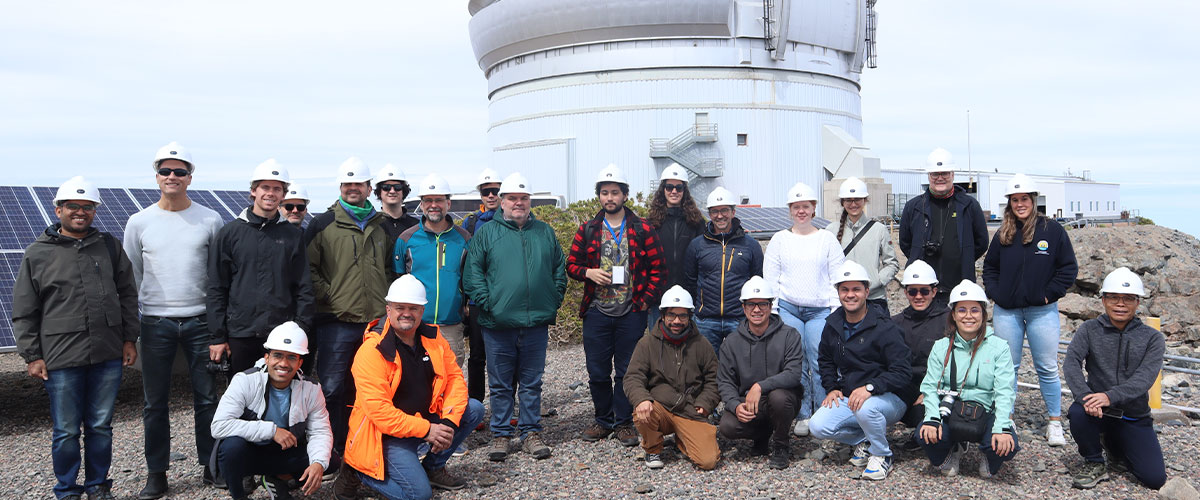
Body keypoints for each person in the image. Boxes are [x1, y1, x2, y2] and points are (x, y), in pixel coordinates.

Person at [13, 176, 139, 500]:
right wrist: (32, 355)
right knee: (66, 431)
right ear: (59, 209)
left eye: (88, 207)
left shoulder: (109, 247)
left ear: (95, 211)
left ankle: (98, 485)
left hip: (107, 353)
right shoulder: (37, 253)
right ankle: (67, 489)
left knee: (100, 426)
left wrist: (128, 339)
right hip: (61, 357)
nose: (81, 212)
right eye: (73, 206)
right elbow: (25, 309)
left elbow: (127, 294)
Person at [123, 142, 226, 498]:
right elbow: (132, 276)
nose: (172, 177)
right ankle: (157, 472)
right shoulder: (139, 222)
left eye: (179, 171)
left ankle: (210, 466)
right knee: (155, 402)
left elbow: (218, 275)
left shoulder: (210, 219)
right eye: (166, 171)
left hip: (200, 322)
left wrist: (218, 326)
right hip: (156, 324)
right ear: (156, 177)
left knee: (207, 398)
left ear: (190, 178)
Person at [336, 276, 484, 500]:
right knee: (419, 495)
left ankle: (433, 466)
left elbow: (455, 380)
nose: (407, 313)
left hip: (424, 422)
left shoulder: (433, 339)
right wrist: (428, 430)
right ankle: (358, 470)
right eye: (400, 307)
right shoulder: (371, 351)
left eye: (413, 308)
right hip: (386, 435)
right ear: (388, 309)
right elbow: (380, 413)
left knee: (473, 408)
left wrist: (446, 423)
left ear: (422, 311)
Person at [462, 172, 566, 462]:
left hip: (535, 324)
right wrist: (488, 304)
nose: (518, 203)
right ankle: (501, 434)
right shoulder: (486, 233)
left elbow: (559, 268)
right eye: (512, 198)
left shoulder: (544, 231)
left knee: (532, 382)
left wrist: (553, 299)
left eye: (523, 198)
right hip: (498, 324)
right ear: (503, 202)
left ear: (529, 201)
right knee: (500, 382)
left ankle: (530, 431)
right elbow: (473, 274)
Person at [568, 164, 666, 446]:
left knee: (627, 371)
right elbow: (571, 265)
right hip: (597, 311)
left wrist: (644, 302)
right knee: (597, 371)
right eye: (604, 193)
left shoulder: (642, 228)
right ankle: (603, 420)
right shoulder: (587, 230)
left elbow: (659, 270)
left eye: (615, 192)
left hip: (630, 312)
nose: (609, 197)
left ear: (625, 195)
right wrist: (588, 272)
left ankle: (623, 422)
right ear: (599, 196)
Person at [304, 157, 392, 458]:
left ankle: (363, 449)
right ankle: (330, 451)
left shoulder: (381, 227)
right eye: (347, 184)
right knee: (332, 389)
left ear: (369, 188)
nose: (353, 188)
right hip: (337, 322)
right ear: (340, 187)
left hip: (375, 323)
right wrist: (331, 296)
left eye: (359, 183)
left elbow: (390, 270)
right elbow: (308, 269)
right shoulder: (322, 224)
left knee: (371, 389)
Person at [983, 173, 1078, 447]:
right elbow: (990, 268)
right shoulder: (1002, 234)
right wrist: (995, 293)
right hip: (1007, 311)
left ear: (1033, 200)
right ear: (1009, 203)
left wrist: (1049, 294)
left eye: (1024, 198)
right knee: (1007, 368)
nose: (1020, 204)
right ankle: (1006, 417)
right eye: (1015, 199)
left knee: (1047, 367)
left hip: (1042, 312)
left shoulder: (1052, 230)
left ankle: (1055, 422)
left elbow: (1068, 268)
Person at [1063, 268, 1166, 490]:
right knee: (1078, 412)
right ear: (1103, 300)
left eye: (1128, 298)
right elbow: (1071, 362)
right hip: (1096, 411)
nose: (1121, 304)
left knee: (1154, 479)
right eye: (1114, 297)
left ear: (1138, 302)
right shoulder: (1089, 329)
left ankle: (1114, 446)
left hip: (1133, 415)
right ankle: (1094, 461)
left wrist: (1109, 396)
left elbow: (1144, 378)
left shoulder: (1153, 338)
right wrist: (1085, 396)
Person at [208, 159, 315, 374]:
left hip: (282, 334)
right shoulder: (230, 233)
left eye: (277, 188)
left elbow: (304, 287)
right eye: (265, 187)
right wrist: (217, 337)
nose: (271, 193)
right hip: (241, 334)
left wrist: (300, 329)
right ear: (253, 191)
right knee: (243, 397)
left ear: (283, 194)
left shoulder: (293, 236)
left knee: (281, 397)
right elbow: (216, 288)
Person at [808, 261, 911, 481]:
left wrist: (871, 388)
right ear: (838, 292)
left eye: (856, 289)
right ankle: (864, 440)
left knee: (867, 408)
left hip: (889, 397)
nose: (850, 295)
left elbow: (902, 371)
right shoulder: (833, 324)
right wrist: (832, 387)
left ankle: (882, 455)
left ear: (866, 291)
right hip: (852, 395)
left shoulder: (885, 326)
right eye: (844, 289)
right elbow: (825, 359)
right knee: (818, 426)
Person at [210, 322, 332, 500]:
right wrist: (272, 431)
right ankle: (238, 496)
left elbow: (320, 431)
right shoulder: (244, 380)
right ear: (267, 358)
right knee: (231, 448)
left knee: (330, 460)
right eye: (277, 355)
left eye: (291, 357)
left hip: (284, 452)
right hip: (250, 453)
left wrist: (318, 463)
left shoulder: (312, 389)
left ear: (300, 362)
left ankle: (276, 480)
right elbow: (219, 426)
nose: (283, 363)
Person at [762, 182, 843, 436]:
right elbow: (771, 277)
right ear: (790, 210)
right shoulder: (779, 239)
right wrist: (774, 309)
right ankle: (802, 414)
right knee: (796, 362)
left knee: (819, 359)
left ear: (813, 208)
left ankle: (822, 412)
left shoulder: (826, 239)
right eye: (796, 207)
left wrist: (835, 309)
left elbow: (836, 276)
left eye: (805, 207)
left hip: (819, 310)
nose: (801, 211)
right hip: (789, 308)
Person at [917, 280, 1019, 478]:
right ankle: (950, 451)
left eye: (975, 310)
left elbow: (1005, 390)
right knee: (925, 434)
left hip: (986, 410)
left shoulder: (999, 347)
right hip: (952, 408)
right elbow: (929, 386)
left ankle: (988, 454)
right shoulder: (940, 347)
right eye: (962, 310)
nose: (968, 316)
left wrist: (1002, 427)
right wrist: (932, 418)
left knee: (1007, 444)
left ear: (983, 314)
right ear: (953, 315)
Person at [624, 286, 720, 470]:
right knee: (642, 412)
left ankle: (682, 440)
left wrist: (706, 403)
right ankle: (653, 449)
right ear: (663, 315)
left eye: (682, 316)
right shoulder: (647, 343)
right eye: (672, 315)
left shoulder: (702, 343)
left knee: (708, 461)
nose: (677, 321)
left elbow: (714, 378)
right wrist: (642, 399)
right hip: (661, 408)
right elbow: (633, 377)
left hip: (690, 410)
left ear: (690, 316)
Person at [717, 276, 804, 470]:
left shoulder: (790, 335)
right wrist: (733, 405)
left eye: (762, 304)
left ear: (771, 305)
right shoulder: (731, 342)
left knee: (779, 398)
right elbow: (725, 381)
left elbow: (793, 373)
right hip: (748, 402)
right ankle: (762, 436)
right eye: (751, 304)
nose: (757, 309)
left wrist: (760, 386)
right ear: (743, 307)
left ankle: (781, 446)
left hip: (782, 399)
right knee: (727, 426)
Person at [394, 173, 471, 372]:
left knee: (450, 378)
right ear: (422, 204)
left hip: (451, 325)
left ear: (448, 204)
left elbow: (470, 280)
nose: (433, 205)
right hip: (416, 325)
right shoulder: (406, 239)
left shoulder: (464, 238)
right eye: (428, 200)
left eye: (438, 200)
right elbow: (397, 282)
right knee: (415, 379)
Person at [898, 148, 988, 307]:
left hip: (959, 287)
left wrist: (963, 257)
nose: (940, 178)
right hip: (924, 291)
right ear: (928, 176)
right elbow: (905, 243)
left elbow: (981, 243)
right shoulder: (914, 207)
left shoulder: (969, 205)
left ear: (952, 174)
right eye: (935, 174)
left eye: (944, 173)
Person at [683, 186, 763, 354]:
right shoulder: (697, 245)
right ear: (709, 214)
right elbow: (690, 281)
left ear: (733, 212)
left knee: (741, 366)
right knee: (708, 368)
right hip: (706, 321)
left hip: (739, 319)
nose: (720, 216)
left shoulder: (750, 245)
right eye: (714, 211)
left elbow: (757, 279)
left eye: (724, 210)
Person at [891, 260, 951, 433]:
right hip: (907, 388)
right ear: (905, 292)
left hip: (938, 387)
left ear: (934, 291)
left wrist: (931, 393)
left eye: (924, 291)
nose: (918, 296)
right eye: (913, 291)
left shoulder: (949, 321)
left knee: (923, 420)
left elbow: (957, 364)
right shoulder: (895, 323)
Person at [644, 163, 705, 329]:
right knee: (659, 347)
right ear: (663, 190)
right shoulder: (651, 223)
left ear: (684, 191)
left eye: (679, 187)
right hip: (658, 299)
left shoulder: (696, 223)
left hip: (689, 299)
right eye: (669, 187)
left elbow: (704, 259)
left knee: (690, 348)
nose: (674, 191)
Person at [461, 167, 502, 402]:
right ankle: (476, 405)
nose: (491, 195)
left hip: (504, 299)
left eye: (496, 190)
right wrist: (466, 299)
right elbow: (465, 264)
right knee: (477, 355)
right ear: (481, 195)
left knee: (505, 355)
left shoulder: (511, 219)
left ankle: (504, 406)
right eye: (487, 191)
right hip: (477, 300)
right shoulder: (471, 222)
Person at [828, 177, 898, 312]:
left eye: (857, 199)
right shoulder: (831, 230)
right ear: (842, 202)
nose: (853, 204)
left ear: (865, 200)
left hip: (873, 299)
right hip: (843, 301)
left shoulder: (879, 230)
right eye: (848, 200)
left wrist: (875, 282)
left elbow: (892, 263)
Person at [374, 164, 419, 246]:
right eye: (386, 187)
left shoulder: (417, 226)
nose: (392, 191)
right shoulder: (372, 225)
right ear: (379, 192)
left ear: (403, 191)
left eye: (397, 187)